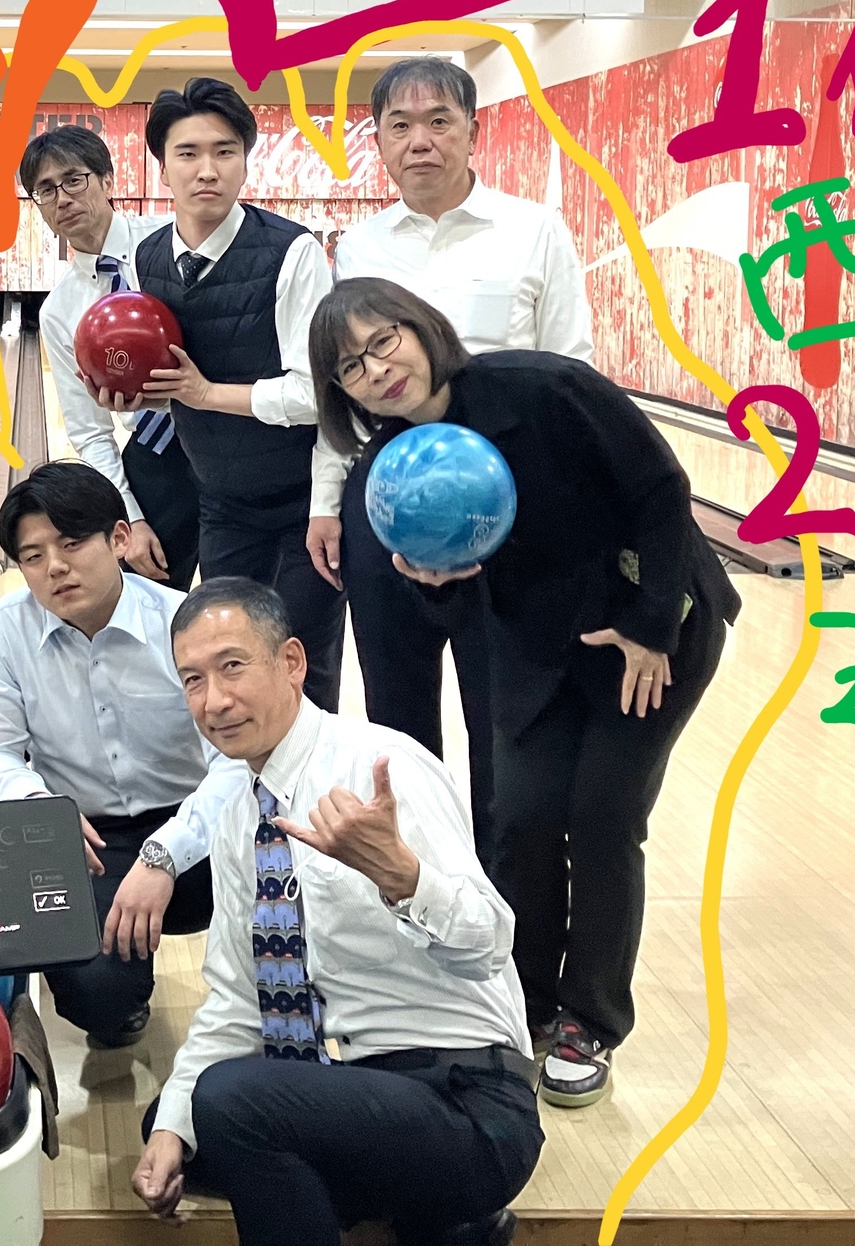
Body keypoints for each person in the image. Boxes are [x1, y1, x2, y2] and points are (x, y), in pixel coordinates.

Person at [309, 279, 740, 1108]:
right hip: (539, 646)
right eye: (351, 367)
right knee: (520, 817)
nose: (376, 370)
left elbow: (660, 489)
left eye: (383, 340)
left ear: (422, 327)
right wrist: (439, 584)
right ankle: (525, 993)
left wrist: (651, 626)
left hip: (648, 629)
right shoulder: (393, 468)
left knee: (603, 817)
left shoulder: (546, 388)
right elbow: (458, 603)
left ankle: (589, 1020)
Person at [134, 579, 540, 1246]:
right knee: (177, 1122)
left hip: (461, 1096)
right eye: (193, 680)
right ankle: (441, 1224)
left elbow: (490, 943)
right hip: (344, 1090)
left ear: (292, 662)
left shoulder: (382, 767)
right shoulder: (238, 816)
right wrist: (173, 1124)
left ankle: (441, 1208)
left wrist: (402, 877)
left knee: (234, 1104)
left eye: (232, 666)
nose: (215, 700)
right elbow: (237, 1001)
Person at [305, 56, 594, 864]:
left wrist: (567, 517)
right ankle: (413, 876)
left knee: (503, 713)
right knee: (395, 711)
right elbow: (341, 387)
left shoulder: (534, 229)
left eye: (439, 122)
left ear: (474, 131)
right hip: (387, 495)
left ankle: (502, 890)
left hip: (504, 502)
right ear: (379, 143)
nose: (420, 141)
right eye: (399, 126)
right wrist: (325, 501)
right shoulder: (360, 244)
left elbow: (572, 368)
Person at [0, 463, 243, 1049]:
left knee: (303, 887)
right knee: (95, 995)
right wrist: (40, 808)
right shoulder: (5, 630)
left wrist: (165, 854)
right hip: (88, 839)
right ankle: (122, 999)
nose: (54, 567)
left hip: (201, 825)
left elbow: (236, 762)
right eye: (33, 556)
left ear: (118, 539)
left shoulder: (182, 622)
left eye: (71, 544)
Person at [111, 77, 345, 712]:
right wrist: (131, 392)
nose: (207, 169)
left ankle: (316, 780)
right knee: (231, 663)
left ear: (246, 160)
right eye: (187, 153)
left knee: (303, 668)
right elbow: (168, 378)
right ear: (163, 167)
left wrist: (205, 393)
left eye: (224, 151)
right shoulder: (146, 258)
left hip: (305, 503)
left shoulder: (292, 252)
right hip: (220, 501)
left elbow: (319, 395)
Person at [22, 123, 199, 587]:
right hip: (157, 453)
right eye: (45, 190)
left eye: (73, 180)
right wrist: (131, 518)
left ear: (107, 180)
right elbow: (90, 432)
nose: (62, 199)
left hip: (226, 432)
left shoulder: (176, 239)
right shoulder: (60, 310)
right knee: (144, 594)